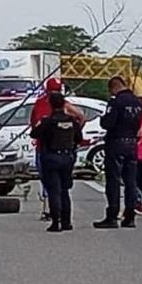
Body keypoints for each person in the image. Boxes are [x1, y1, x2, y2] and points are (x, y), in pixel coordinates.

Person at [30, 78, 85, 221]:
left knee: (51, 185)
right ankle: (65, 220)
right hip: (65, 153)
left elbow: (34, 130)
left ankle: (53, 216)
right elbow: (81, 119)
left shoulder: (42, 107)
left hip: (46, 150)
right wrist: (72, 136)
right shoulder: (67, 111)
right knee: (63, 189)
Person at [93, 76, 142, 229]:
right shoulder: (137, 102)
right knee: (131, 182)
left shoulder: (115, 102)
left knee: (113, 180)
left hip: (116, 142)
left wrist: (103, 119)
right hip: (132, 143)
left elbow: (108, 123)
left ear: (113, 88)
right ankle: (130, 216)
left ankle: (112, 215)